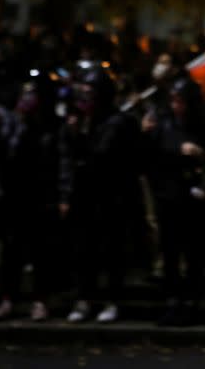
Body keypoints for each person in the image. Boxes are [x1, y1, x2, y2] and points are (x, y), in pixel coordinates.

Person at [59, 66, 141, 323]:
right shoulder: (81, 122)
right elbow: (68, 160)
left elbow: (104, 158)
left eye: (90, 92)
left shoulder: (119, 122)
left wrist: (80, 136)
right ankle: (84, 299)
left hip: (111, 197)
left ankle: (112, 300)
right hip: (85, 196)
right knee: (84, 250)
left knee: (111, 250)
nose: (85, 98)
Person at [142, 76, 205, 326]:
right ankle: (174, 300)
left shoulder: (203, 125)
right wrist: (176, 150)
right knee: (171, 250)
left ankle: (192, 299)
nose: (177, 106)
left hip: (193, 197)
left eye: (181, 101)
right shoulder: (163, 123)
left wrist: (203, 169)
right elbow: (152, 155)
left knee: (193, 251)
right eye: (174, 100)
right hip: (169, 194)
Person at [0, 71, 61, 321]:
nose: (26, 98)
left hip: (40, 195)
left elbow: (59, 161)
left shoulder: (50, 127)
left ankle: (40, 299)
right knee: (12, 250)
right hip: (15, 194)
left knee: (39, 251)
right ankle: (7, 298)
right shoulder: (14, 124)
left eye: (31, 93)